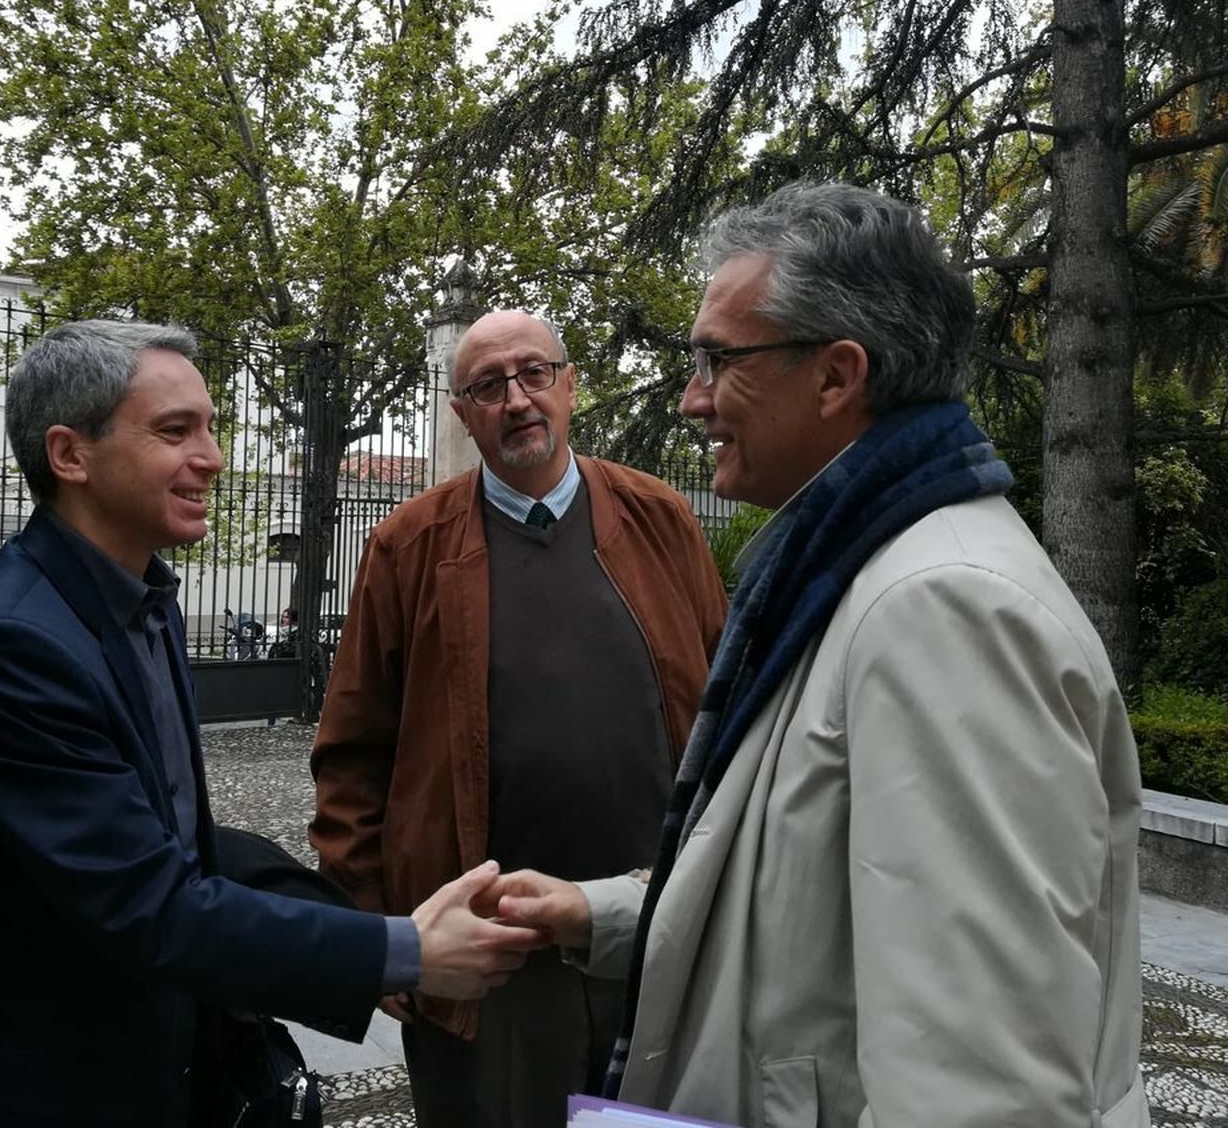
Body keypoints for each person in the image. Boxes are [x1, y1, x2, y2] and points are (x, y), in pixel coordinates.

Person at [488, 183, 1149, 1127]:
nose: (692, 398)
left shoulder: (941, 611)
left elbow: (982, 1093)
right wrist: (601, 913)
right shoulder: (849, 573)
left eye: (718, 359)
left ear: (838, 376)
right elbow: (810, 912)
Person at [0, 319, 544, 1127]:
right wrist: (402, 952)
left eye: (210, 427)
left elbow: (186, 840)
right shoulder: (9, 646)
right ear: (70, 456)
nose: (212, 456)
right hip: (47, 1093)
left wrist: (356, 930)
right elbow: (152, 904)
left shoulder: (142, 603)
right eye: (175, 431)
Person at [310, 310, 728, 1126]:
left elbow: (725, 711)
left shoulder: (660, 519)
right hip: (489, 963)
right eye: (487, 386)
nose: (517, 399)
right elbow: (353, 752)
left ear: (570, 386)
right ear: (462, 414)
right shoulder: (409, 545)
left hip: (650, 937)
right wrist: (378, 933)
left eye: (535, 374)